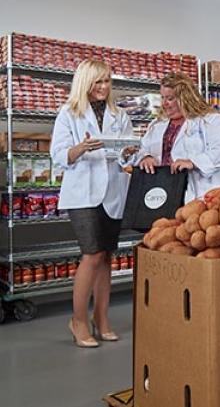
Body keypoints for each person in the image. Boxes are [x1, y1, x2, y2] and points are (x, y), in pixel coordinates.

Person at [50, 59, 135, 348]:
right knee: (91, 254)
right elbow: (59, 154)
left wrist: (129, 153)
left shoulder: (119, 114)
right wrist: (80, 148)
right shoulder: (69, 113)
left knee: (106, 256)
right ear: (85, 83)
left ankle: (102, 319)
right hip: (83, 193)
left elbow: (127, 158)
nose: (103, 87)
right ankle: (78, 321)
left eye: (107, 81)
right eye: (97, 81)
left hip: (112, 192)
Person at [137, 73, 220, 202]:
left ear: (186, 98)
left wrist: (194, 162)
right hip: (164, 193)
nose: (164, 103)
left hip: (203, 195)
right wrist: (146, 157)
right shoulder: (157, 124)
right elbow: (143, 148)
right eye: (162, 98)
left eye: (170, 98)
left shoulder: (210, 120)